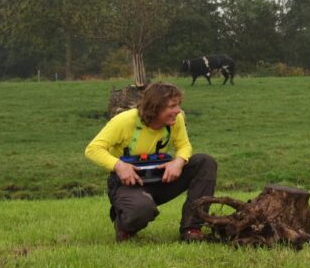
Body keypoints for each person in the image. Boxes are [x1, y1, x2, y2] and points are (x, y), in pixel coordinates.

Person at [85, 82, 217, 242]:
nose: (178, 111)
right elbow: (93, 149)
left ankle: (191, 229)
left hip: (160, 178)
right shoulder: (125, 121)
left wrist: (179, 162)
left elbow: (183, 145)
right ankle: (124, 226)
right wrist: (119, 166)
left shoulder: (176, 119)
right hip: (128, 183)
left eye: (178, 105)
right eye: (172, 106)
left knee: (204, 162)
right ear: (155, 108)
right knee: (142, 209)